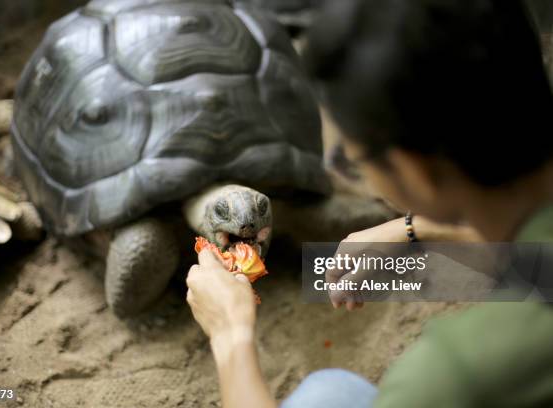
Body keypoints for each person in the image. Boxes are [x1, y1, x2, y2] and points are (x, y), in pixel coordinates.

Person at [186, 0, 553, 406]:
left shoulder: (455, 372)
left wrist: (230, 335)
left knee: (324, 394)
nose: (347, 169)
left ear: (412, 171)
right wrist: (414, 229)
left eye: (351, 160)